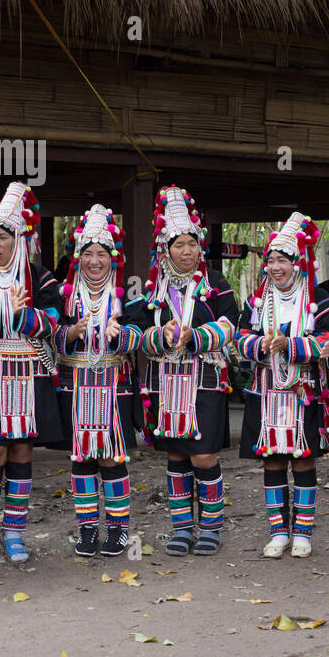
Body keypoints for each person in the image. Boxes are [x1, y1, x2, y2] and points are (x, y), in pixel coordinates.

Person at [0, 181, 63, 567]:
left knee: (21, 450)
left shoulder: (41, 278)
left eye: (3, 236)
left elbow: (53, 322)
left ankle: (15, 531)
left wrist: (19, 315)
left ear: (19, 238)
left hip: (30, 373)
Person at [138, 187, 239, 558]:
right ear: (167, 249)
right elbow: (137, 335)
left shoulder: (216, 285)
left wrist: (195, 336)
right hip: (166, 383)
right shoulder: (153, 290)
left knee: (203, 455)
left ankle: (211, 527)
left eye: (192, 244)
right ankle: (182, 528)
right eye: (179, 244)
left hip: (205, 380)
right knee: (176, 457)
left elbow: (232, 325)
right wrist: (159, 334)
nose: (187, 251)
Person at [236, 212, 329, 559]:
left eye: (282, 260)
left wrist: (291, 345)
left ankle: (303, 533)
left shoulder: (318, 299)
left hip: (304, 391)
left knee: (304, 461)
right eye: (271, 261)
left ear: (297, 263)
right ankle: (278, 532)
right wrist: (260, 345)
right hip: (265, 390)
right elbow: (240, 339)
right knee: (272, 461)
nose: (275, 267)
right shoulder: (257, 301)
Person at [55, 205, 149, 557]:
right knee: (81, 458)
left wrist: (120, 334)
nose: (95, 261)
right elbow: (48, 334)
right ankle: (88, 529)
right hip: (76, 385)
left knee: (111, 458)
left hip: (115, 384)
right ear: (78, 258)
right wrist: (70, 332)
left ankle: (119, 530)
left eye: (102, 254)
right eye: (88, 254)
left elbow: (140, 334)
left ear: (113, 258)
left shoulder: (130, 296)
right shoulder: (64, 297)